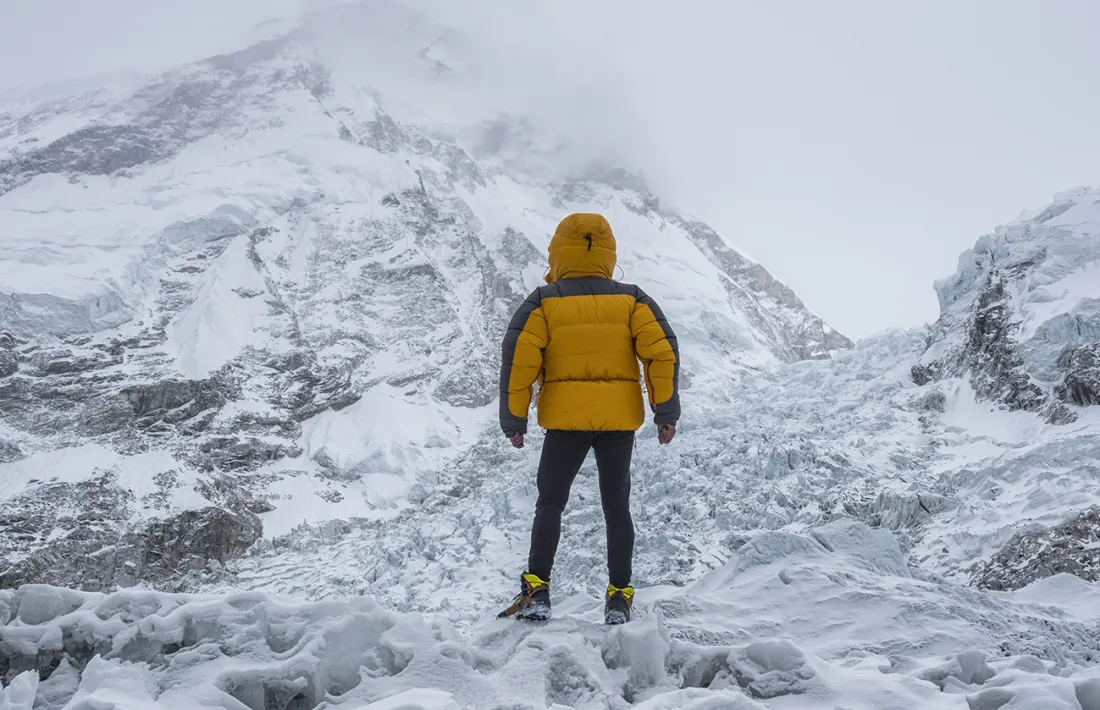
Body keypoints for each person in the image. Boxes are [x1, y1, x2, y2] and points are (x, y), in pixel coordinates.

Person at [496, 212, 680, 625]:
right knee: (617, 507)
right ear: (608, 252)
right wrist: (664, 411)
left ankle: (537, 591)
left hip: (565, 422)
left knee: (550, 503)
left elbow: (520, 360)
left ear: (559, 251)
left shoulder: (543, 301)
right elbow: (661, 352)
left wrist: (514, 419)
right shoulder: (633, 300)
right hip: (618, 422)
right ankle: (619, 598)